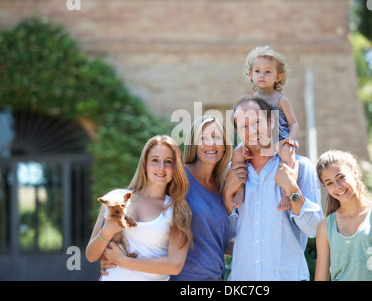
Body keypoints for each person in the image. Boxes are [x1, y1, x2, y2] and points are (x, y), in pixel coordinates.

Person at [223, 95, 323, 281]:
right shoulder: (232, 172)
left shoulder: (301, 166)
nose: (252, 130)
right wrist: (228, 193)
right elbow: (224, 235)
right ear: (237, 131)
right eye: (244, 126)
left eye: (257, 122)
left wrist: (292, 190)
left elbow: (315, 230)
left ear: (271, 121)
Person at [85, 135, 192, 281]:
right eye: (155, 160)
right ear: (145, 165)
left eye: (168, 162)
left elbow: (174, 265)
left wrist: (123, 261)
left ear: (175, 168)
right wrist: (107, 231)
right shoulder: (115, 198)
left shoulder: (177, 209)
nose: (161, 167)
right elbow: (91, 256)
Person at [314, 150, 372, 281]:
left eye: (341, 177)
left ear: (354, 173)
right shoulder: (325, 227)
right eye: (329, 183)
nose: (337, 186)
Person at [231, 46, 300, 211]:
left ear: (279, 77)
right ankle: (239, 190)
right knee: (238, 153)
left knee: (287, 153)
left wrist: (291, 137)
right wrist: (245, 144)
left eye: (268, 72)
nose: (262, 75)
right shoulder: (251, 101)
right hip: (258, 141)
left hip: (279, 138)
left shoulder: (280, 99)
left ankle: (286, 192)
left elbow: (294, 123)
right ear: (250, 74)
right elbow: (246, 125)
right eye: (257, 71)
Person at [170, 116, 234, 280]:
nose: (210, 143)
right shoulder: (178, 177)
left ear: (225, 145)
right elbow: (138, 199)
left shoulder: (224, 185)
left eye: (216, 137)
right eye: (203, 138)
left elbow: (216, 241)